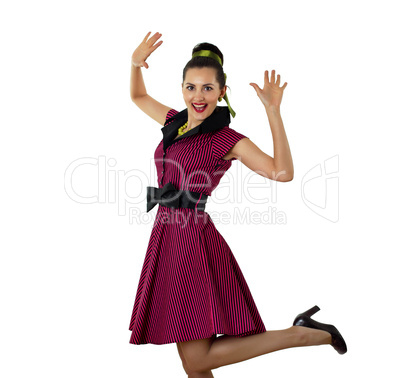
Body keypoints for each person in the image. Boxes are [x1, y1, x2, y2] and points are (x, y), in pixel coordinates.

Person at [128, 31, 347, 377]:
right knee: (194, 365)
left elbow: (282, 171)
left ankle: (302, 334)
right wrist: (135, 63)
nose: (198, 96)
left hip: (190, 243)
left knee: (197, 360)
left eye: (207, 88)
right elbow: (137, 95)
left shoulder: (226, 139)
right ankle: (304, 331)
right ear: (182, 89)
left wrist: (273, 111)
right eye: (191, 87)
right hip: (166, 236)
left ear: (221, 92)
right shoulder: (175, 123)